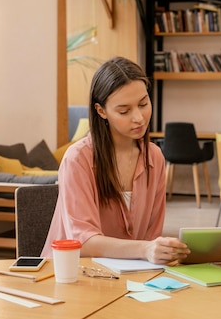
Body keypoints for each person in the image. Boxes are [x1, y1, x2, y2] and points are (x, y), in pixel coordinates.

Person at [41, 57, 190, 264]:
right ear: (101, 111)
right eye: (124, 111)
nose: (139, 117)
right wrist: (145, 249)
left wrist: (161, 251)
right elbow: (83, 241)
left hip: (132, 275)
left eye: (143, 104)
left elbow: (152, 235)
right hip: (74, 274)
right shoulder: (78, 159)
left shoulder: (154, 157)